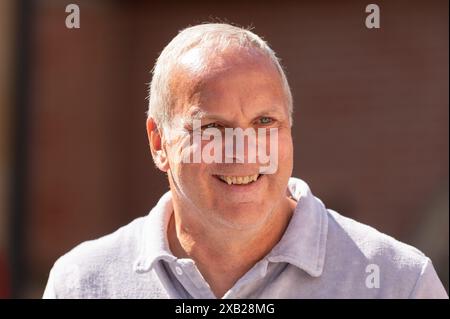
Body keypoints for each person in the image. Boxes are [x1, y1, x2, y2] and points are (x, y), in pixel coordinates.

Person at [43, 23, 448, 299]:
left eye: (265, 121)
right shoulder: (82, 283)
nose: (243, 150)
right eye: (214, 127)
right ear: (158, 142)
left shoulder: (399, 283)